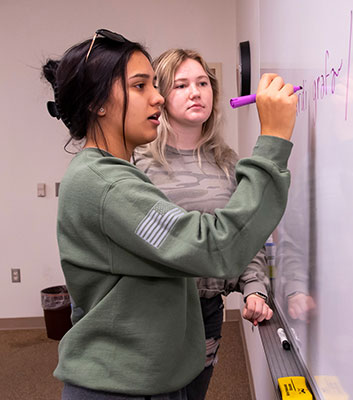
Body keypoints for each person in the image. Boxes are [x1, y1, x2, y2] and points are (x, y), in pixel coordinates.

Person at [42, 28, 297, 400]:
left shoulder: (115, 173)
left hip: (151, 375)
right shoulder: (106, 184)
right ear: (98, 103)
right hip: (122, 386)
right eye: (141, 86)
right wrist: (273, 138)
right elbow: (213, 248)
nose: (158, 98)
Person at [135, 49, 274, 400]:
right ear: (161, 97)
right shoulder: (138, 164)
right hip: (155, 312)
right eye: (181, 85)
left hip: (207, 311)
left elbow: (246, 232)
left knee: (193, 394)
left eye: (202, 83)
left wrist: (255, 286)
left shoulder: (229, 164)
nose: (195, 92)